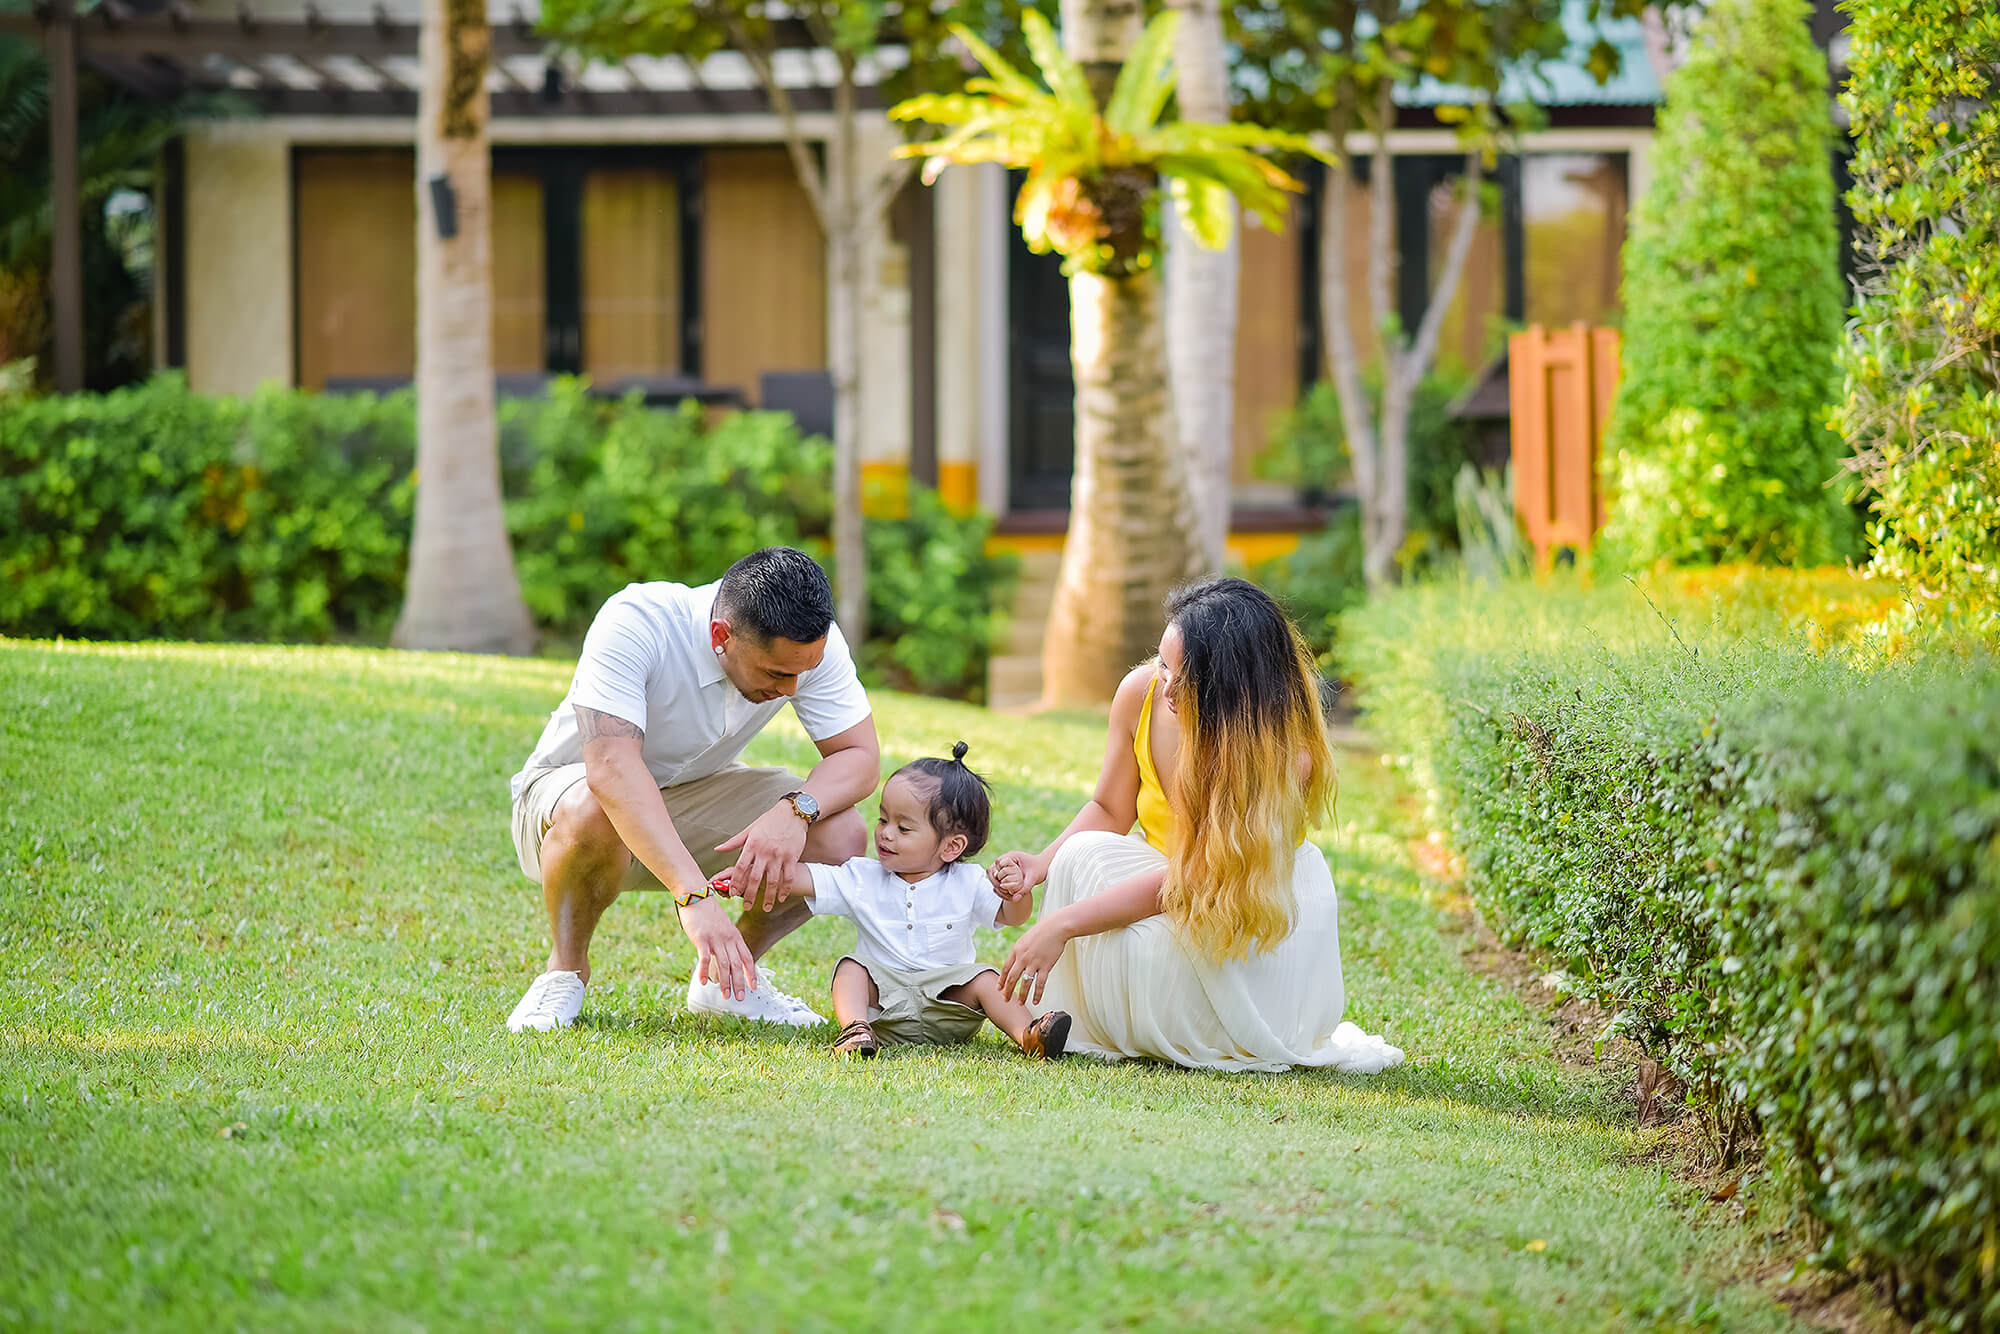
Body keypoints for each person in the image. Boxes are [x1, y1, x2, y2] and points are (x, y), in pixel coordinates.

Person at [986, 577, 1404, 1073]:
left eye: (1187, 676)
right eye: (1164, 663)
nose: (1166, 684)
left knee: (1116, 943)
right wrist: (1040, 864)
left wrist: (1063, 923)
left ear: (1235, 690)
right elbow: (1110, 808)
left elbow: (1196, 878)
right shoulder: (1143, 693)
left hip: (1249, 908)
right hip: (1173, 881)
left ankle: (1202, 1016)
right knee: (1081, 858)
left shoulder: (1284, 756)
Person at [504, 547, 879, 1033]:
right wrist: (693, 897)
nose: (792, 689)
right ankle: (565, 971)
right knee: (594, 806)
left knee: (840, 832)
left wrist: (795, 810)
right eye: (776, 674)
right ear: (721, 636)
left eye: (802, 673)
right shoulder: (637, 620)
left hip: (692, 792)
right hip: (568, 805)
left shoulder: (807, 648)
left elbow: (860, 757)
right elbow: (612, 770)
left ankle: (729, 978)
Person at [712, 744, 1073, 1060]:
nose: (885, 833)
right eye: (883, 819)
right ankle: (855, 1029)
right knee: (851, 967)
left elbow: (1012, 917)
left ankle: (1028, 1033)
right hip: (883, 1009)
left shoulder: (969, 881)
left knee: (985, 978)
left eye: (903, 828)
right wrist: (747, 877)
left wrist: (1016, 893)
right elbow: (808, 878)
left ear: (951, 847)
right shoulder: (862, 878)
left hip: (949, 1004)